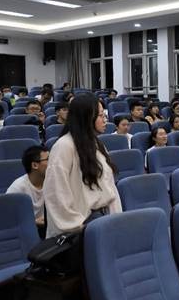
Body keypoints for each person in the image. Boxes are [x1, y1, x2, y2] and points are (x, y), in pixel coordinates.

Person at [43, 94, 122, 238]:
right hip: (81, 226)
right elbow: (56, 193)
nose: (105, 119)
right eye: (100, 115)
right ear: (86, 118)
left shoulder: (97, 144)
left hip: (103, 219)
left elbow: (109, 187)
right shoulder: (64, 146)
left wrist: (116, 219)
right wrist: (79, 227)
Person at [6, 146, 48, 224]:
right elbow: (7, 217)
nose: (52, 162)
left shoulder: (51, 182)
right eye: (48, 159)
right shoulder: (17, 188)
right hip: (26, 228)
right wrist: (34, 222)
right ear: (35, 165)